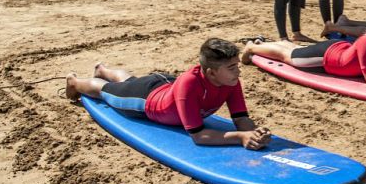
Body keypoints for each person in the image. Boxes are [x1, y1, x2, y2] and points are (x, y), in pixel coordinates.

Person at [65, 38, 271, 150]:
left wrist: (253, 132)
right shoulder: (190, 84)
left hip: (167, 85)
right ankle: (74, 82)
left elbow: (240, 118)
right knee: (105, 91)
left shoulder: (230, 81)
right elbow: (199, 136)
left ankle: (102, 69)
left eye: (237, 65)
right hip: (145, 100)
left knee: (129, 81)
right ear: (211, 72)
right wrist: (240, 137)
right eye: (232, 67)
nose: (238, 71)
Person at [242, 8, 366, 88]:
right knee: (287, 55)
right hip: (327, 58)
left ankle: (263, 44)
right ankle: (251, 48)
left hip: (339, 50)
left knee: (293, 49)